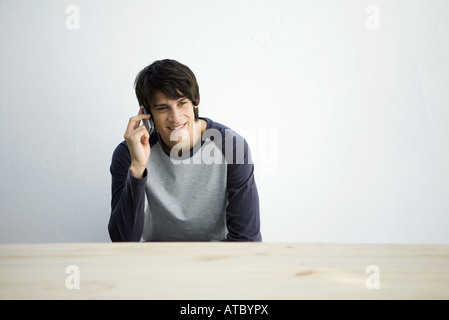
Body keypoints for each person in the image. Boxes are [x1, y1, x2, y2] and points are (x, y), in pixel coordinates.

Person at [108, 59, 261, 242]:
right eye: (163, 108)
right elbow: (123, 241)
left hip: (216, 257)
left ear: (195, 102)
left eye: (182, 103)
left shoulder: (231, 146)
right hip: (156, 258)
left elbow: (246, 239)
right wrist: (138, 168)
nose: (175, 117)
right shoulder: (130, 153)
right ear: (147, 114)